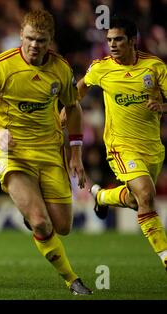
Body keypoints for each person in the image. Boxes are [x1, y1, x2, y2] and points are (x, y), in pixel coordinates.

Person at [0, 9, 92, 295]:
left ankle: (34, 218)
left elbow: (73, 107)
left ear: (51, 41)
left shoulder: (61, 69)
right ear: (21, 35)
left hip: (49, 152)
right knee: (41, 222)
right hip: (13, 153)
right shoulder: (2, 65)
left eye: (42, 40)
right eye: (30, 39)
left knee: (62, 227)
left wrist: (75, 154)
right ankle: (72, 280)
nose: (35, 45)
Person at [77, 16, 167, 271]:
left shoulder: (155, 67)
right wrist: (64, 112)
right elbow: (79, 90)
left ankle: (102, 196)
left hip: (152, 148)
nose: (112, 45)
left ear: (132, 41)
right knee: (147, 195)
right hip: (120, 145)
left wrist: (162, 106)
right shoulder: (101, 68)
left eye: (118, 40)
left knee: (137, 201)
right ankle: (165, 256)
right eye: (109, 40)